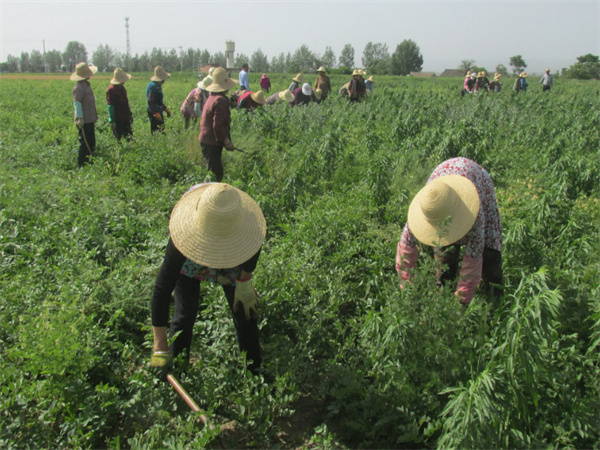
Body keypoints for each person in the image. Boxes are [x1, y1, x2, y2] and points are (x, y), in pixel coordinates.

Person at [149, 182, 267, 377]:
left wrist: (245, 282)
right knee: (185, 313)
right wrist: (160, 346)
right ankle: (179, 370)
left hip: (233, 258)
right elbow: (162, 289)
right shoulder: (183, 240)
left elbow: (251, 257)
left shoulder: (248, 226)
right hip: (191, 260)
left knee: (245, 313)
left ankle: (255, 373)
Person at [396, 157, 503, 305]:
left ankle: (494, 304)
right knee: (445, 260)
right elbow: (404, 255)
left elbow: (472, 262)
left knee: (490, 255)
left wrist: (461, 304)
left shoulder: (474, 215)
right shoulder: (425, 209)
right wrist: (407, 291)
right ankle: (444, 294)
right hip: (443, 180)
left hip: (476, 180)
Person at [198, 67, 237, 182]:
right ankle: (210, 198)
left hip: (207, 140)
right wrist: (226, 141)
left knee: (212, 171)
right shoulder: (221, 100)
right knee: (215, 175)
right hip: (211, 142)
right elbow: (217, 126)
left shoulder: (212, 97)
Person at [71, 62, 98, 167]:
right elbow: (77, 103)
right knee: (84, 143)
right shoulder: (79, 88)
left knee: (91, 141)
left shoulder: (86, 85)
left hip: (90, 119)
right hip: (84, 120)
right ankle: (81, 164)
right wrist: (80, 118)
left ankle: (90, 161)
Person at [106, 68, 133, 142]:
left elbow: (126, 104)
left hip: (125, 118)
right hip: (118, 120)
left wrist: (129, 115)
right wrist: (112, 121)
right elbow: (110, 106)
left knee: (129, 138)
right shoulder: (111, 90)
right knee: (118, 140)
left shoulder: (122, 88)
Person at [146, 66, 171, 133]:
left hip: (158, 109)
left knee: (161, 129)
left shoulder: (157, 85)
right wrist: (156, 114)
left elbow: (158, 101)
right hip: (153, 111)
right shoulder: (153, 86)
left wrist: (166, 110)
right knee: (157, 131)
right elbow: (151, 102)